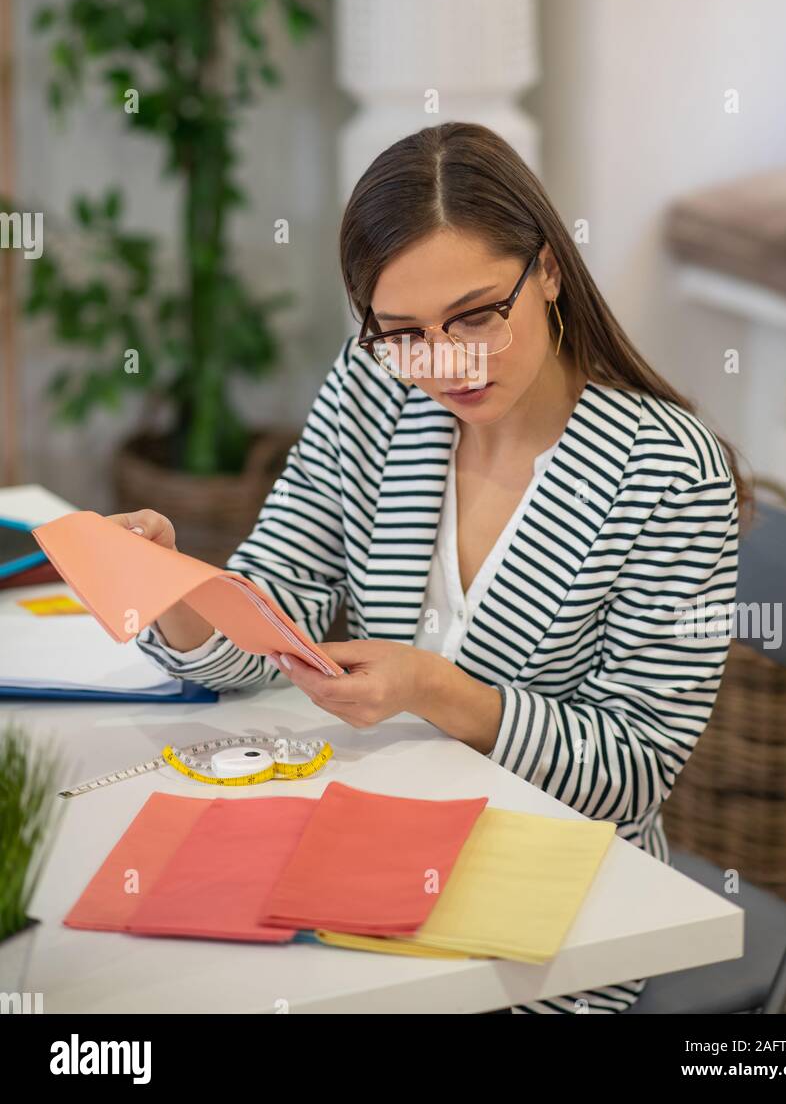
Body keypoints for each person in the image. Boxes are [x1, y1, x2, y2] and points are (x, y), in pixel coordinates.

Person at [122, 121, 746, 1014]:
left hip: (552, 890)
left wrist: (433, 689)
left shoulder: (666, 470)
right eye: (403, 331)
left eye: (478, 314)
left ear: (551, 272)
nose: (443, 360)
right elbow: (276, 606)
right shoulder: (377, 387)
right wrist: (176, 592)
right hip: (361, 842)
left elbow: (635, 767)